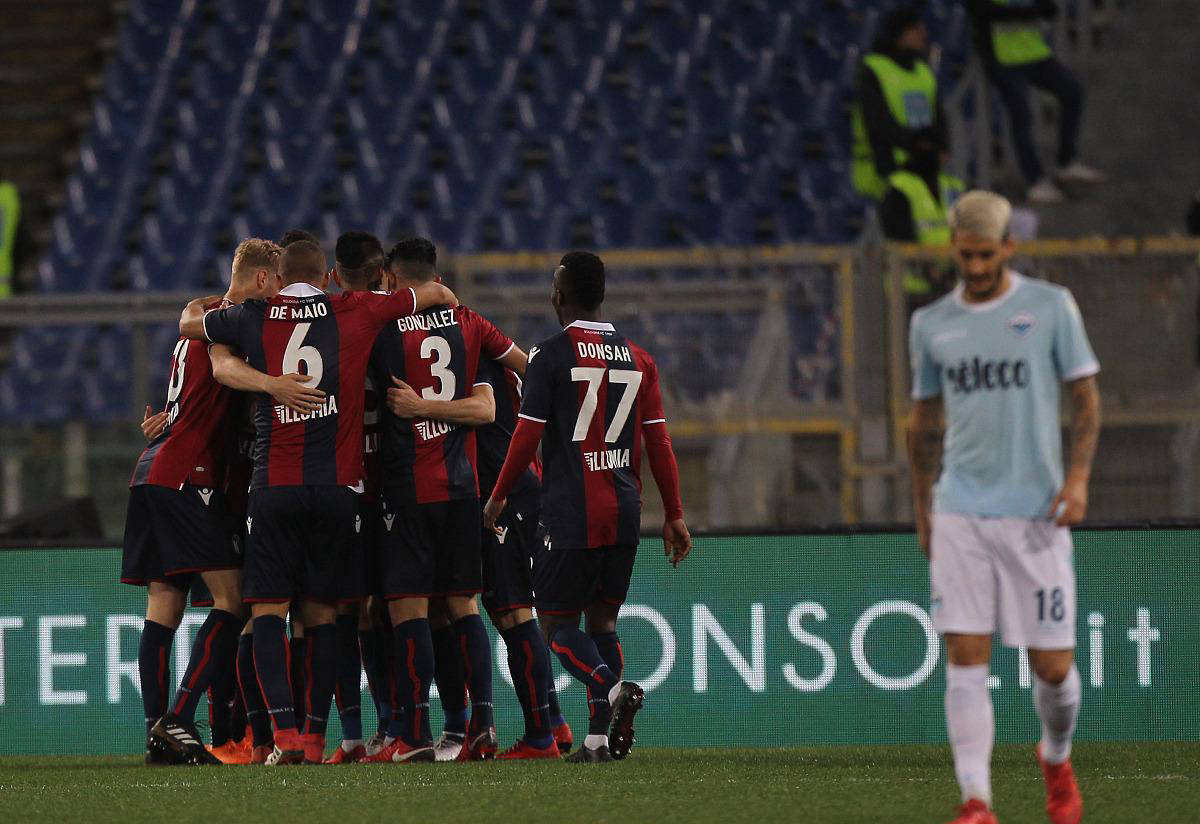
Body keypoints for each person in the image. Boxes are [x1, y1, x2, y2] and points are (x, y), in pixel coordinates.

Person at [178, 239, 457, 765]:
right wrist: (446, 298)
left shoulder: (253, 316)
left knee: (268, 609)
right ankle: (313, 737)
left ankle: (282, 735)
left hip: (274, 486)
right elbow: (432, 294)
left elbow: (191, 324)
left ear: (279, 278)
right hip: (338, 489)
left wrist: (265, 378)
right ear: (327, 277)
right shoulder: (355, 309)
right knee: (324, 611)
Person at [907, 190, 1098, 824]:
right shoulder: (930, 323)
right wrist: (923, 508)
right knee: (966, 659)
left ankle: (1056, 757)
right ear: (953, 249)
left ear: (1010, 247)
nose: (977, 267)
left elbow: (1086, 399)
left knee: (1053, 670)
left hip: (1037, 512)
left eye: (987, 255)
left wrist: (1078, 479)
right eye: (966, 255)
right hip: (959, 509)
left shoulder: (1051, 307)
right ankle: (977, 802)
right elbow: (921, 422)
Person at [484, 251, 692, 763]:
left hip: (570, 513)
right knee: (602, 624)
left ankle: (611, 689)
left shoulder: (550, 355)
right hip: (624, 511)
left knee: (556, 627)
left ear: (559, 295)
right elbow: (659, 442)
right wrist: (674, 513)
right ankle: (598, 741)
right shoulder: (639, 358)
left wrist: (499, 493)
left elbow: (526, 435)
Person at [123, 238, 305, 765]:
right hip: (189, 473)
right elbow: (224, 373)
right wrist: (274, 385)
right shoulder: (232, 324)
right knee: (235, 598)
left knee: (165, 602)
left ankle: (158, 735)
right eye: (277, 284)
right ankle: (178, 718)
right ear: (264, 279)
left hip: (153, 468)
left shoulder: (200, 315)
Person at [364, 237, 528, 764]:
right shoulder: (469, 323)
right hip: (463, 487)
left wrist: (418, 407)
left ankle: (412, 733)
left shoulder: (382, 327)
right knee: (462, 605)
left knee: (407, 607)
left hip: (408, 487)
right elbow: (518, 373)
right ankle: (482, 725)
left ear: (392, 279)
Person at [965, 0, 1104, 203]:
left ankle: (1066, 162)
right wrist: (1027, 11)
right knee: (1022, 114)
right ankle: (1035, 180)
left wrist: (1022, 12)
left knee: (1073, 91)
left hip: (1033, 50)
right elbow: (982, 10)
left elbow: (1050, 9)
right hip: (1002, 59)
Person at [851, 7, 947, 201]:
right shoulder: (873, 69)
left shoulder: (923, 71)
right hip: (884, 172)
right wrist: (919, 146)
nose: (924, 35)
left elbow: (938, 116)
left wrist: (941, 146)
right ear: (901, 34)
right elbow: (878, 122)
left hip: (923, 167)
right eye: (917, 29)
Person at [880, 141, 967, 312]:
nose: (945, 157)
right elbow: (900, 236)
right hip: (910, 288)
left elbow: (966, 230)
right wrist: (930, 272)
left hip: (950, 283)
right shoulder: (900, 186)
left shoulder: (952, 186)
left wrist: (952, 271)